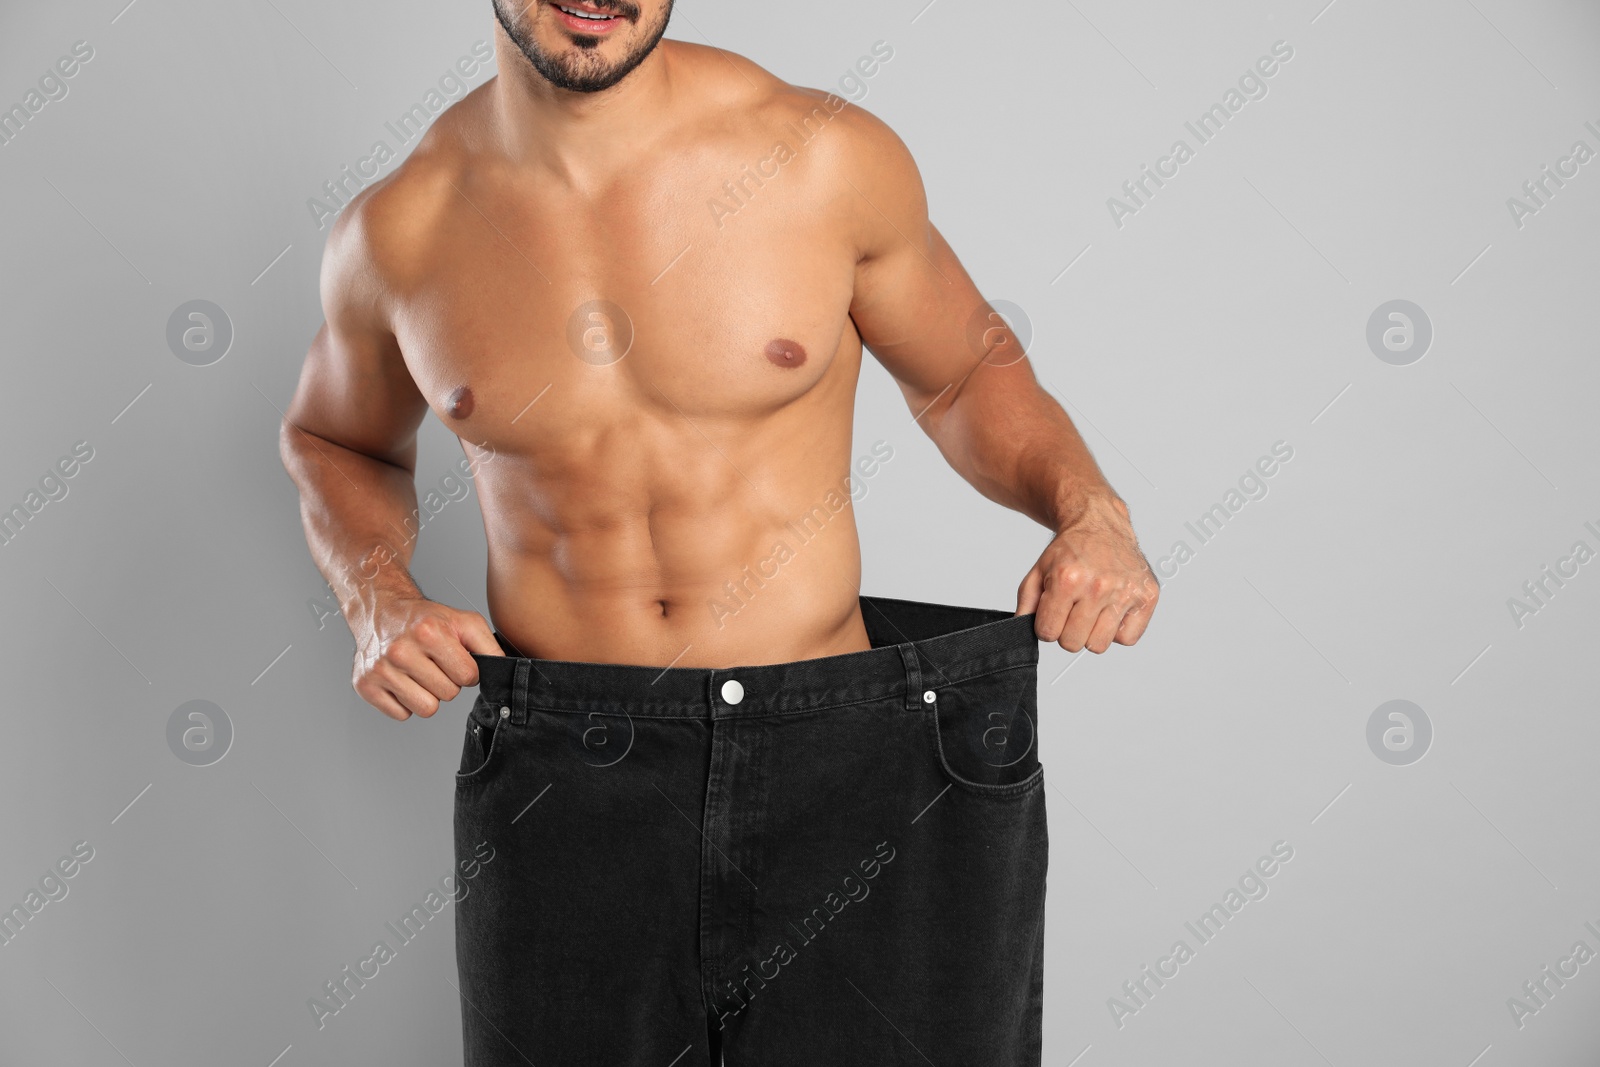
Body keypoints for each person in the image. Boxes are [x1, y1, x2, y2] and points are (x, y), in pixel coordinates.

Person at [279, 1, 1160, 1063]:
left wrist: (1091, 511)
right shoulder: (400, 228)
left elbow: (966, 370)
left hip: (844, 755)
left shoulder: (820, 157)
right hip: (572, 771)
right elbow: (337, 440)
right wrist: (377, 589)